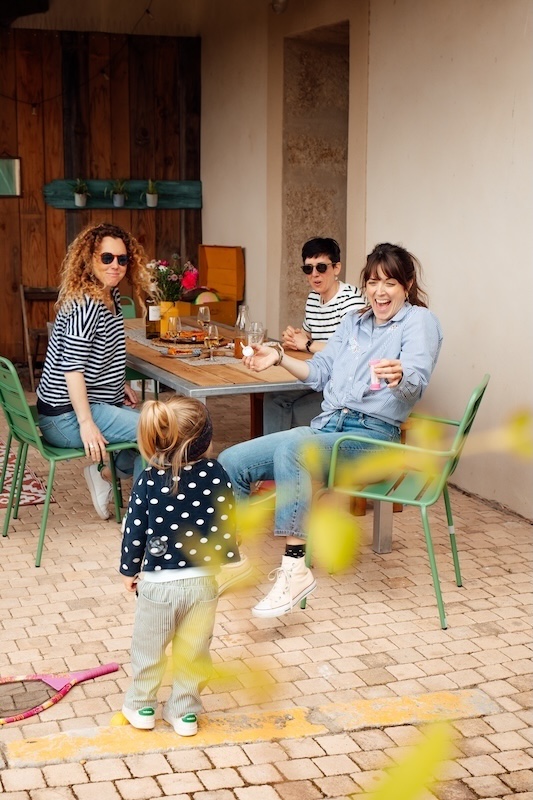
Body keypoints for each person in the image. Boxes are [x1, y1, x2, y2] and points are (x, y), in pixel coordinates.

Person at [218, 243, 443, 618]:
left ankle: (294, 568)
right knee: (231, 461)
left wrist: (400, 375)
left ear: (406, 285)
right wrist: (279, 356)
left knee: (294, 452)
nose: (379, 291)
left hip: (373, 439)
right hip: (328, 429)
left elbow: (416, 380)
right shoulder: (354, 321)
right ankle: (235, 559)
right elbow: (319, 371)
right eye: (372, 282)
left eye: (389, 283)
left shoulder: (419, 321)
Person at [119, 397, 239, 736]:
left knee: (149, 648)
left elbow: (135, 530)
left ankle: (142, 706)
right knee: (194, 650)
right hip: (202, 584)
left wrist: (130, 570)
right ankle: (184, 712)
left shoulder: (148, 479)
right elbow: (228, 518)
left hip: (158, 583)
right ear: (205, 440)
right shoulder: (216, 473)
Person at [36, 222, 153, 520]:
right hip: (66, 418)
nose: (116, 265)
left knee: (151, 423)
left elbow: (100, 354)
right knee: (156, 431)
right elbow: (72, 369)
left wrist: (119, 382)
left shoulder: (108, 296)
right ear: (89, 259)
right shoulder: (86, 305)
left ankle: (103, 475)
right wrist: (86, 422)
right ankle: (139, 518)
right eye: (107, 258)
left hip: (83, 407)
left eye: (122, 259)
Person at [263, 237, 365, 434]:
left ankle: (278, 453)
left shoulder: (350, 300)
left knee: (283, 404)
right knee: (273, 395)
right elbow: (309, 333)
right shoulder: (313, 298)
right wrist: (295, 337)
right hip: (319, 372)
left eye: (321, 267)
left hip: (342, 381)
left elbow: (353, 350)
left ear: (336, 268)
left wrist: (308, 344)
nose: (315, 275)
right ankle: (273, 454)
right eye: (308, 269)